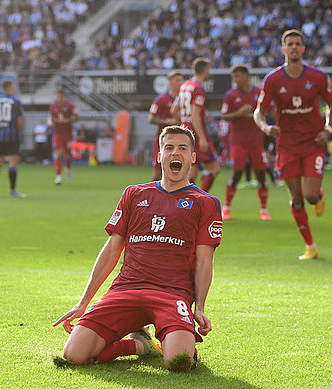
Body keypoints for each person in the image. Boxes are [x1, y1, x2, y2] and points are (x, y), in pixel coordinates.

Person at [53, 125, 222, 371]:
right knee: (74, 355)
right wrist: (83, 302)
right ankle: (139, 345)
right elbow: (112, 250)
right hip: (127, 288)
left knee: (179, 362)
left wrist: (200, 308)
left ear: (193, 157)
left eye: (183, 148)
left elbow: (205, 261)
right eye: (169, 148)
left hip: (172, 293)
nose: (176, 153)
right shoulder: (134, 194)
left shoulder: (206, 203)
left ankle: (172, 341)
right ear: (159, 155)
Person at [254, 29, 332, 260]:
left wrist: (327, 129)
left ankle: (318, 197)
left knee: (310, 195)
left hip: (313, 143)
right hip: (287, 146)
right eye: (289, 44)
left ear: (303, 49)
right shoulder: (273, 79)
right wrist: (265, 128)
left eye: (297, 44)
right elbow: (259, 113)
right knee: (297, 197)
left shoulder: (317, 77)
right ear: (283, 49)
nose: (293, 47)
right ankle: (310, 245)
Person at [221, 64, 272, 221]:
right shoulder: (230, 95)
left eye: (238, 76)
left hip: (256, 141)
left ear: (245, 76)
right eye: (233, 77)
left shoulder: (258, 93)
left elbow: (270, 109)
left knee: (261, 175)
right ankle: (226, 208)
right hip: (238, 140)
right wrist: (239, 113)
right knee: (237, 172)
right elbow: (224, 116)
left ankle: (263, 210)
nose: (235, 80)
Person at [171, 57, 220, 192]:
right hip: (196, 132)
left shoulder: (185, 86)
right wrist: (202, 138)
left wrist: (182, 124)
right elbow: (195, 115)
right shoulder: (198, 89)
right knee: (215, 168)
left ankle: (186, 201)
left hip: (186, 131)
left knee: (193, 169)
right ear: (205, 71)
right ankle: (201, 198)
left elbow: (174, 110)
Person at [0, 79, 25, 197]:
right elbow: (19, 121)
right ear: (11, 87)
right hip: (12, 136)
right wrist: (17, 132)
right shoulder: (16, 101)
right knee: (13, 162)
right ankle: (13, 190)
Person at [148, 70, 184, 180]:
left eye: (182, 80)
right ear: (170, 83)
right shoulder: (161, 99)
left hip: (180, 141)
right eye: (177, 80)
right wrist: (167, 121)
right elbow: (151, 118)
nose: (180, 83)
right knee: (157, 175)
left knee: (180, 175)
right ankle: (148, 196)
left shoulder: (184, 99)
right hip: (163, 141)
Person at [49, 89, 79, 185]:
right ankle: (58, 177)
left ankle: (67, 169)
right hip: (57, 133)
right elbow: (50, 117)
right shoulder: (53, 106)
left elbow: (76, 117)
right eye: (58, 96)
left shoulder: (70, 106)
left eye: (61, 96)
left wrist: (67, 120)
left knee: (67, 154)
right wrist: (50, 122)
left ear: (64, 96)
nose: (59, 98)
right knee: (58, 153)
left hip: (67, 134)